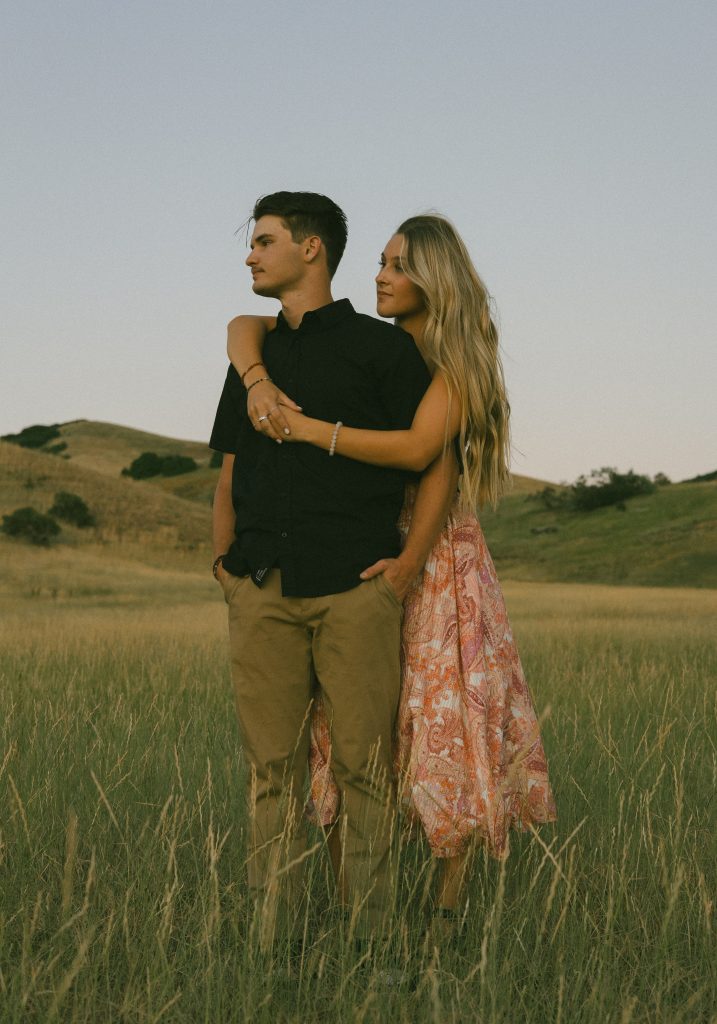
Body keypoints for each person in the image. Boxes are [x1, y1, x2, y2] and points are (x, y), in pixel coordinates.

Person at [227, 213, 557, 923]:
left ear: (434, 279)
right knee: (349, 735)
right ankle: (357, 903)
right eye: (379, 260)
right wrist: (254, 375)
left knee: (441, 725)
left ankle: (442, 915)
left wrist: (306, 429)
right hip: (358, 549)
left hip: (427, 558)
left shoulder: (453, 364)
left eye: (398, 265)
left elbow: (420, 455)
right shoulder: (369, 348)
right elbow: (245, 326)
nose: (380, 275)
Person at [210, 193, 460, 947]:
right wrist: (224, 565)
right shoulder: (250, 357)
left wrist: (405, 567)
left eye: (264, 241)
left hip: (356, 590)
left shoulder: (383, 352)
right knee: (271, 776)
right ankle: (271, 947)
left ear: (310, 249)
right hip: (261, 589)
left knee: (363, 773)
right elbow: (229, 470)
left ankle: (373, 950)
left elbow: (434, 461)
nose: (250, 255)